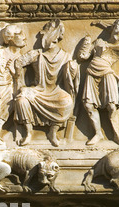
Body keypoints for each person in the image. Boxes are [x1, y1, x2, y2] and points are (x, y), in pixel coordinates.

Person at [14, 19, 79, 147]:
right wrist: (20, 83)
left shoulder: (65, 56)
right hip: (37, 90)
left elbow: (70, 77)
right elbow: (19, 63)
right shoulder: (37, 54)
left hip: (56, 91)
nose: (43, 37)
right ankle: (28, 132)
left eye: (45, 35)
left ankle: (52, 132)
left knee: (67, 102)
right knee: (21, 100)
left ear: (55, 37)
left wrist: (73, 68)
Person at [81, 18, 119, 146]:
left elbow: (110, 54)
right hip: (91, 74)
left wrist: (101, 49)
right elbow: (83, 56)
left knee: (112, 106)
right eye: (116, 25)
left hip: (106, 74)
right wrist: (87, 42)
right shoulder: (99, 41)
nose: (118, 28)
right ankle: (97, 134)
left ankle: (117, 136)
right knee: (89, 105)